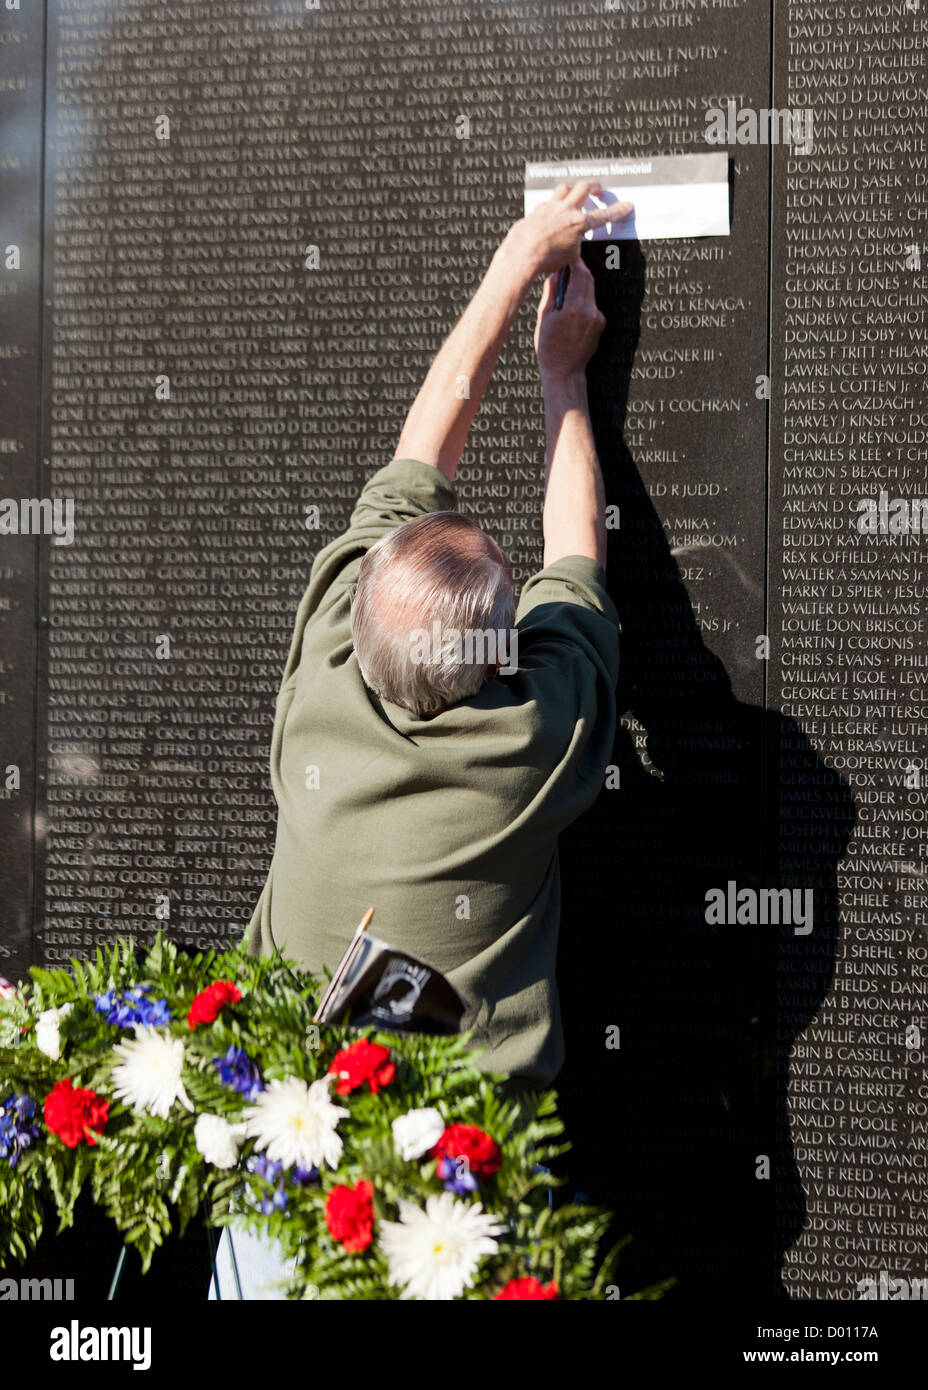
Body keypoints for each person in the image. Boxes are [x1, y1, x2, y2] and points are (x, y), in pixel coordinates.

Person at [209, 182, 632, 1298]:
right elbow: (575, 555)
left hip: (278, 1196)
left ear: (355, 621)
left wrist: (508, 268)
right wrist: (565, 378)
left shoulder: (317, 692)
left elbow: (422, 446)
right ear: (504, 660)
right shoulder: (532, 741)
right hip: (453, 1220)